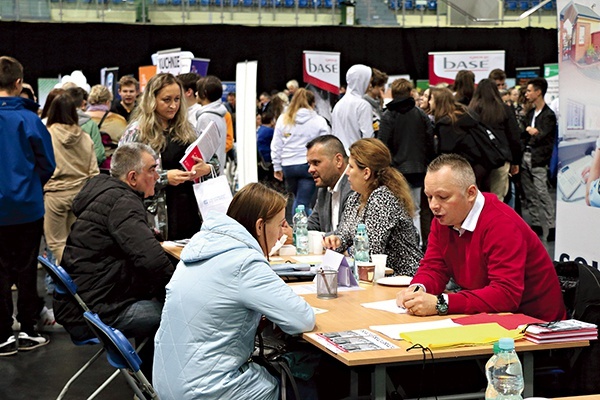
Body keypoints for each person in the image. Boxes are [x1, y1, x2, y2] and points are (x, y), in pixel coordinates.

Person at [153, 183, 315, 399]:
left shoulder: (200, 249)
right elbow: (302, 319)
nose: (281, 235)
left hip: (168, 383)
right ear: (260, 226)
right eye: (280, 225)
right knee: (303, 383)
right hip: (207, 391)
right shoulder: (244, 261)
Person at [396, 154, 566, 322]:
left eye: (443, 197)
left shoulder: (502, 224)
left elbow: (505, 295)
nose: (433, 205)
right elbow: (434, 267)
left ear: (470, 193)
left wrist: (442, 303)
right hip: (493, 318)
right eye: (429, 196)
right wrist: (418, 289)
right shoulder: (443, 221)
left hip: (536, 326)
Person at [54, 143, 174, 375]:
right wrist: (182, 289)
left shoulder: (106, 194)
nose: (156, 176)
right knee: (177, 312)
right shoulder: (123, 203)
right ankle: (150, 381)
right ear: (132, 177)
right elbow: (151, 260)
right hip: (96, 311)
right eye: (151, 170)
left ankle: (146, 375)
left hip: (84, 302)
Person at [0, 56, 56, 355]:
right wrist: (31, 185)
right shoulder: (30, 120)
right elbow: (48, 163)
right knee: (26, 270)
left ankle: (2, 334)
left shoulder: (29, 118)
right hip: (27, 207)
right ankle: (28, 328)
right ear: (19, 83)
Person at [120, 73, 211, 240]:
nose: (173, 105)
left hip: (190, 209)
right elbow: (124, 175)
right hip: (155, 215)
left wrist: (205, 168)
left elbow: (212, 161)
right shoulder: (137, 132)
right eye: (167, 100)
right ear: (152, 100)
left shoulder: (187, 129)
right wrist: (164, 178)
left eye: (177, 99)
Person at [324, 138, 422, 276]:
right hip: (378, 278)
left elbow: (371, 252)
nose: (347, 172)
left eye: (351, 167)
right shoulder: (355, 198)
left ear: (366, 173)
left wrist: (348, 249)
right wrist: (337, 240)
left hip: (404, 278)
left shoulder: (382, 198)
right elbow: (345, 234)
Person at [43, 93, 99, 264]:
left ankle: (64, 283)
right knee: (78, 243)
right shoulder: (85, 137)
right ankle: (80, 280)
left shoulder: (46, 135)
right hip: (80, 196)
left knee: (56, 244)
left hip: (55, 195)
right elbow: (94, 171)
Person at [379, 78, 434, 245]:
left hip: (395, 171)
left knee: (397, 210)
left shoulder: (388, 116)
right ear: (410, 93)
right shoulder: (421, 115)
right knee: (415, 210)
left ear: (393, 94)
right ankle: (415, 245)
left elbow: (382, 145)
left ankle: (400, 245)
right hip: (418, 169)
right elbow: (430, 142)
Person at [271, 88, 331, 212]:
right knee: (302, 202)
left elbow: (276, 144)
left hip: (287, 165)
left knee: (298, 199)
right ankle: (300, 228)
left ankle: (302, 225)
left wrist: (276, 166)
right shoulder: (319, 121)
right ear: (313, 103)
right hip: (307, 165)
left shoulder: (283, 119)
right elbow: (327, 143)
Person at [468, 78, 521, 200]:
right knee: (498, 198)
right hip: (501, 158)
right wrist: (516, 161)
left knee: (477, 199)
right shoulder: (504, 109)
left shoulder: (471, 111)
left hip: (478, 160)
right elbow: (514, 137)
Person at [430, 87, 490, 191]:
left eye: (431, 99)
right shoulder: (463, 114)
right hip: (480, 163)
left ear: (438, 102)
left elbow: (446, 151)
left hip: (466, 167)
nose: (429, 102)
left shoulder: (446, 123)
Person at [521, 77, 557, 241]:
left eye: (529, 90)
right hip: (526, 156)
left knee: (542, 193)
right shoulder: (529, 114)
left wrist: (533, 132)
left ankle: (551, 225)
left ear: (538, 92)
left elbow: (544, 136)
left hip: (538, 159)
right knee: (530, 194)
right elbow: (525, 133)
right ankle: (535, 224)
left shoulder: (548, 115)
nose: (527, 94)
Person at [306, 135, 353, 233]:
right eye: (309, 164)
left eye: (316, 163)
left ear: (338, 161)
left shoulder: (354, 187)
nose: (310, 170)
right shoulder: (324, 188)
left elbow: (345, 235)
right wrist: (294, 231)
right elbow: (312, 224)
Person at [331, 64, 374, 151]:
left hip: (339, 156)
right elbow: (368, 138)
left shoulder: (338, 105)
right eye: (368, 81)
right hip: (356, 157)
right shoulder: (363, 105)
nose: (370, 86)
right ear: (361, 81)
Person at [86, 84, 128, 165]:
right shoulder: (119, 120)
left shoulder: (80, 119)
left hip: (86, 165)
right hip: (112, 166)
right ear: (107, 102)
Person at [65, 86, 106, 167]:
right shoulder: (90, 125)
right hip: (84, 174)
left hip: (59, 174)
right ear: (83, 103)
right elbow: (99, 155)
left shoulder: (53, 122)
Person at [195, 75, 228, 173]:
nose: (196, 93)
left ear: (204, 93)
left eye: (198, 90)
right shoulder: (220, 115)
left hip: (209, 175)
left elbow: (204, 153)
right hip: (217, 171)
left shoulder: (205, 118)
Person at [363, 68, 388, 137]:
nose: (383, 88)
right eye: (380, 85)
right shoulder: (364, 103)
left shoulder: (378, 102)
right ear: (371, 86)